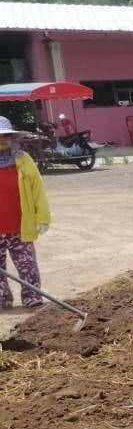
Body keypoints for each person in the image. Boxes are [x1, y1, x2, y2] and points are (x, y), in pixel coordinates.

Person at [0, 116, 49, 310]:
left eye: (6, 136)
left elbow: (38, 188)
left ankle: (32, 296)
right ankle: (2, 298)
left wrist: (42, 216)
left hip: (20, 226)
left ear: (12, 138)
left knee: (27, 265)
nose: (2, 140)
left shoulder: (23, 159)